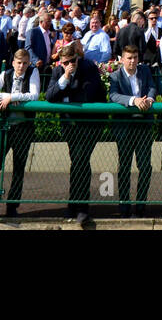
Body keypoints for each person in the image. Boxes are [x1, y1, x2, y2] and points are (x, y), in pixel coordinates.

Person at [45, 42, 106, 224]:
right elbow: (49, 96)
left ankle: (80, 206)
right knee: (77, 161)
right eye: (64, 62)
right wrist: (65, 77)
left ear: (78, 58)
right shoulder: (58, 72)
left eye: (72, 61)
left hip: (90, 125)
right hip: (69, 125)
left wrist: (70, 86)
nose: (69, 64)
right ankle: (75, 203)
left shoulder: (89, 68)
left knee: (81, 160)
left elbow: (87, 94)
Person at [0, 48, 40, 222]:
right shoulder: (6, 74)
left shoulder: (33, 73)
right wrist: (9, 96)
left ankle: (12, 207)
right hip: (4, 127)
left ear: (29, 64)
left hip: (23, 128)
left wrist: (11, 98)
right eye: (19, 63)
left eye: (25, 63)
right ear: (13, 62)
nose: (21, 66)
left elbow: (34, 96)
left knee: (19, 168)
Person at [107, 44, 158, 218]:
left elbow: (152, 87)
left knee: (145, 166)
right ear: (122, 59)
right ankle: (124, 206)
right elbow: (113, 95)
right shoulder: (115, 76)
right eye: (129, 58)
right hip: (124, 128)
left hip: (144, 126)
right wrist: (134, 100)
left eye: (135, 57)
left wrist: (149, 99)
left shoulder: (144, 71)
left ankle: (141, 205)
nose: (132, 61)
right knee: (124, 168)